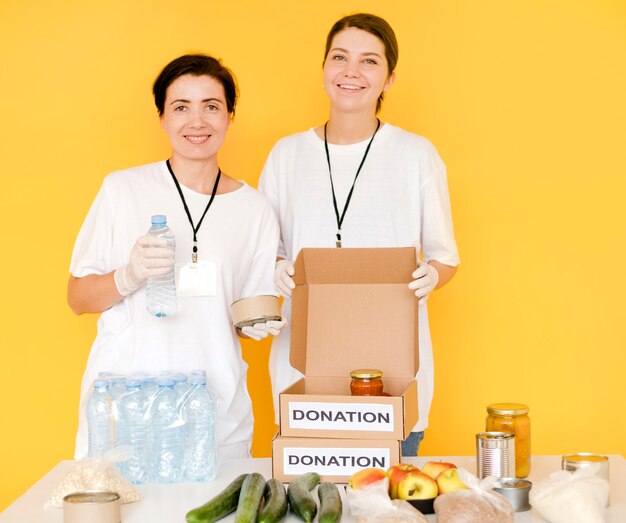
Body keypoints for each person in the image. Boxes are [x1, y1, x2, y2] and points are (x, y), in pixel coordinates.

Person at [258, 13, 460, 456]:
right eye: (339, 57)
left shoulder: (416, 155)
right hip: (303, 370)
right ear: (324, 67)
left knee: (386, 507)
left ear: (389, 78)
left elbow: (445, 256)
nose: (351, 71)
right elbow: (265, 249)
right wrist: (275, 267)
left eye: (369, 61)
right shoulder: (286, 155)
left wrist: (433, 274)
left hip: (395, 374)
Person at [67, 53, 286, 460]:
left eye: (212, 106)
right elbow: (78, 297)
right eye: (181, 107)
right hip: (126, 408)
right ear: (163, 118)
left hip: (217, 413)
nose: (197, 121)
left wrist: (258, 319)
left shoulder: (254, 209)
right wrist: (127, 277)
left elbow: (242, 317)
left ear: (230, 116)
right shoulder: (122, 190)